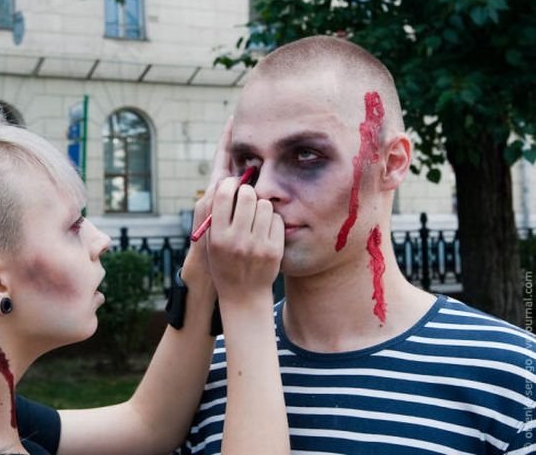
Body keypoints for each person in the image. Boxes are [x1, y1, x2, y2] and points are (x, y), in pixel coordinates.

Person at [0, 112, 289, 455]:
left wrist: (202, 261)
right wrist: (247, 301)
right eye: (74, 226)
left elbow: (149, 425)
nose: (101, 240)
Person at [176, 35, 536, 455]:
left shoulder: (512, 377)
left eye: (306, 154)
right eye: (248, 163)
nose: (265, 188)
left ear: (393, 162)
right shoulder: (201, 373)